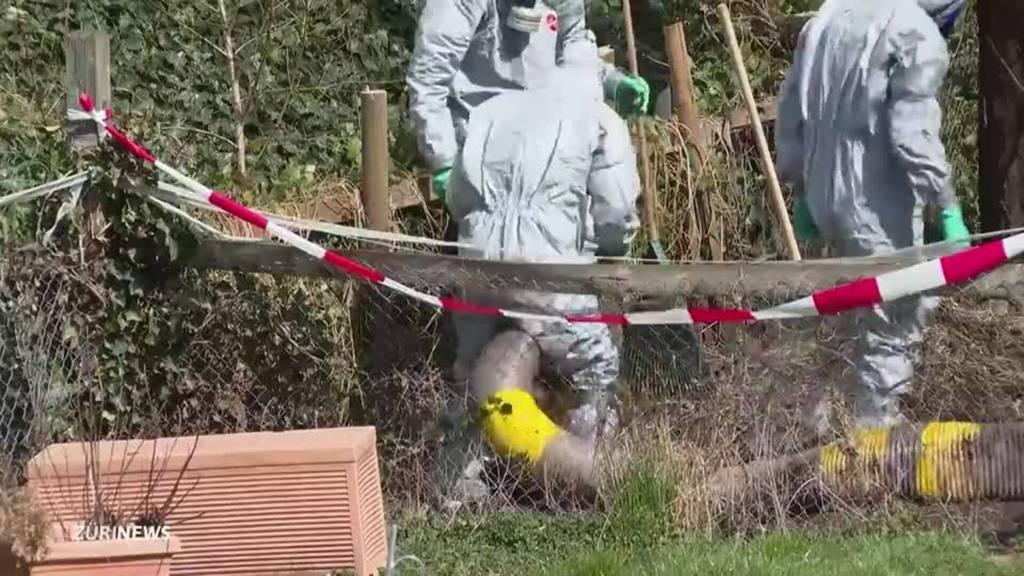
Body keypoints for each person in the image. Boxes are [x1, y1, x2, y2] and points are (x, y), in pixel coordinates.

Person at [438, 71, 641, 504]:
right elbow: (618, 209)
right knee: (595, 369)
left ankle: (456, 490)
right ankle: (596, 484)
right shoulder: (597, 114)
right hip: (549, 269)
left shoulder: (489, 108)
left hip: (477, 264)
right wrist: (603, 247)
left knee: (470, 371)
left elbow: (457, 195)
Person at [776, 0, 969, 429]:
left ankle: (816, 436)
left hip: (826, 200)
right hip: (876, 207)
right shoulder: (915, 30)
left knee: (843, 315)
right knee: (892, 323)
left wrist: (803, 194)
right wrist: (948, 206)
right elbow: (911, 135)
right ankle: (874, 449)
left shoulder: (828, 16)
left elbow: (790, 115)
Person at [407, 0, 651, 203]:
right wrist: (444, 160)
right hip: (480, 156)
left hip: (544, 152)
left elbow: (572, 45)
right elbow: (430, 80)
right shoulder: (456, 5)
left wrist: (609, 82)